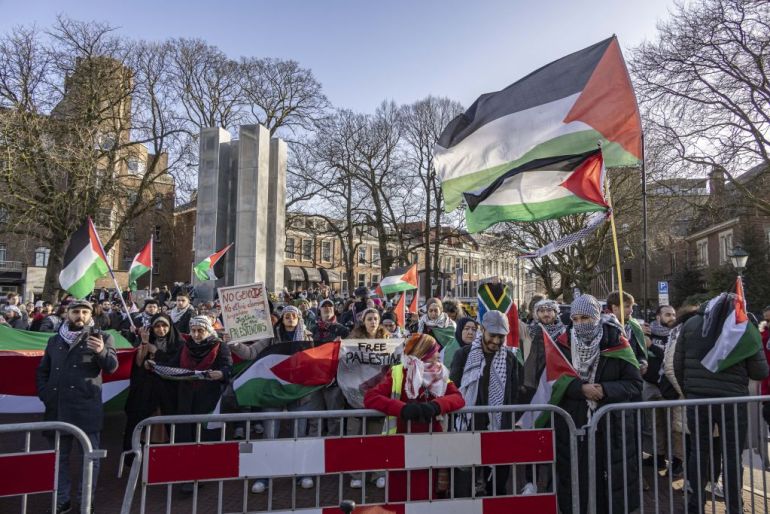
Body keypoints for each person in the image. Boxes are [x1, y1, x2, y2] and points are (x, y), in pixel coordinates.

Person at [674, 292, 769, 514]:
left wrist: (690, 392)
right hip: (732, 401)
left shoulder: (691, 324)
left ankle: (695, 504)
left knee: (699, 451)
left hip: (698, 400)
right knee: (732, 455)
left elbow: (678, 365)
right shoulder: (743, 327)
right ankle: (734, 506)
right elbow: (760, 371)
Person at [554, 295, 642, 514]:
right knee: (577, 479)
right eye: (575, 319)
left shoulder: (617, 342)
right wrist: (579, 389)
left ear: (596, 316)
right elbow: (552, 383)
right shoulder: (562, 343)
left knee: (609, 484)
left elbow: (634, 384)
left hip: (610, 428)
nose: (581, 323)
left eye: (585, 317)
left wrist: (605, 390)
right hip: (573, 425)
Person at [35, 300, 119, 513]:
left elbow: (111, 367)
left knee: (90, 459)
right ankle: (62, 499)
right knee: (59, 458)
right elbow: (42, 371)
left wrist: (101, 352)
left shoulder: (103, 337)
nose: (79, 315)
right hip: (58, 408)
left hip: (86, 408)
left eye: (84, 312)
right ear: (67, 314)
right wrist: (46, 395)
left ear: (90, 315)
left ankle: (85, 499)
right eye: (75, 312)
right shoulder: (54, 341)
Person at [365, 333, 465, 501]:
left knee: (427, 492)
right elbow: (371, 397)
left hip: (432, 442)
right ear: (422, 352)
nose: (438, 354)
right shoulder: (398, 371)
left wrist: (437, 406)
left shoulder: (440, 373)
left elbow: (458, 398)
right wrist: (402, 409)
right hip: (402, 441)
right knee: (399, 493)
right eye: (434, 350)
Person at [233, 306, 315, 494]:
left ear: (299, 318)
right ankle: (264, 476)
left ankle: (301, 473)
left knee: (299, 435)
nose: (290, 317)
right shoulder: (271, 337)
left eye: (294, 315)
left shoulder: (308, 338)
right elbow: (251, 353)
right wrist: (234, 344)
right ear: (282, 319)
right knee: (269, 434)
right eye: (287, 315)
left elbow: (316, 361)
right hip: (272, 391)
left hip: (298, 393)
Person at [450, 310, 522, 496]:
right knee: (465, 484)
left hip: (499, 428)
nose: (496, 341)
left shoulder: (509, 358)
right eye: (493, 335)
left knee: (497, 485)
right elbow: (454, 388)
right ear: (482, 330)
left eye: (501, 337)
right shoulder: (463, 355)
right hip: (469, 425)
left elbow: (514, 393)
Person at [164, 315, 231, 493]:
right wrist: (155, 365)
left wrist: (221, 373)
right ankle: (187, 473)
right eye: (193, 330)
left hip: (207, 397)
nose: (195, 334)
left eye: (200, 330)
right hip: (186, 397)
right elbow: (172, 366)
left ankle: (202, 473)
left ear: (208, 330)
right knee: (186, 434)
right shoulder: (185, 346)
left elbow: (227, 367)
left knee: (204, 435)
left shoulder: (219, 346)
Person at [121, 313, 183, 463]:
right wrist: (144, 343)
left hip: (168, 392)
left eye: (164, 326)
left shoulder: (178, 344)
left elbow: (176, 364)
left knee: (167, 429)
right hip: (147, 392)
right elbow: (138, 363)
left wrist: (156, 351)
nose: (161, 329)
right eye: (157, 326)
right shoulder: (148, 340)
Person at [641, 305, 683, 475]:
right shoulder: (647, 332)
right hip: (651, 385)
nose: (671, 317)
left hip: (670, 386)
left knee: (674, 426)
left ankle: (677, 460)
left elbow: (669, 356)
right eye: (667, 314)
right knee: (655, 424)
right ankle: (658, 457)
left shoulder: (677, 334)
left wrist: (652, 347)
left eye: (673, 314)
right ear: (658, 317)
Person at [523, 299, 567, 399]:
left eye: (549, 310)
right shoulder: (529, 332)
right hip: (532, 384)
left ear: (555, 312)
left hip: (555, 380)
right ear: (536, 313)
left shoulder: (564, 333)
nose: (546, 314)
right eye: (542, 311)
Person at [607, 290, 649, 375]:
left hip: (633, 378)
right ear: (615, 308)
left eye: (632, 307)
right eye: (627, 306)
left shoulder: (634, 327)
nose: (631, 310)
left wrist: (642, 363)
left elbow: (641, 353)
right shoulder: (603, 328)